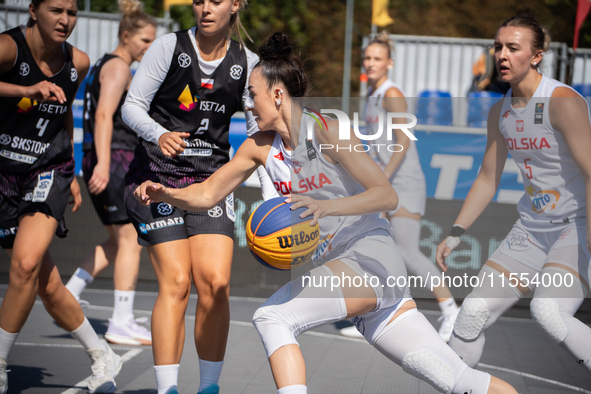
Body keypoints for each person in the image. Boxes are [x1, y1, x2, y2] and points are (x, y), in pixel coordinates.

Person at [133, 32, 519, 394]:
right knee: (459, 380)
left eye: (252, 95)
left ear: (278, 95)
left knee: (273, 318)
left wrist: (325, 205)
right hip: (357, 280)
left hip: (369, 258)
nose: (247, 103)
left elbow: (386, 196)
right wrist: (167, 192)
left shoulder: (329, 130)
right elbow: (207, 194)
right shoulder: (258, 146)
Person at [120, 0, 273, 392]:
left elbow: (259, 132)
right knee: (176, 282)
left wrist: (274, 191)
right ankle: (167, 388)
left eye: (216, 1)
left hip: (210, 183)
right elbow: (131, 107)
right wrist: (159, 134)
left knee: (216, 282)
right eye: (199, 0)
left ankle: (208, 387)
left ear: (235, 5)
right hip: (157, 178)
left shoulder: (247, 61)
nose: (206, 8)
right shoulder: (167, 48)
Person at [436, 16, 591, 371]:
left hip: (577, 227)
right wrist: (456, 232)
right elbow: (488, 178)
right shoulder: (500, 111)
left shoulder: (563, 101)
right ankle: (458, 384)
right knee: (471, 314)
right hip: (532, 229)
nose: (502, 55)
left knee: (548, 311)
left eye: (513, 48)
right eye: (498, 46)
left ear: (536, 56)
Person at [0, 0, 122, 393]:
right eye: (56, 10)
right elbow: (34, 93)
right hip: (4, 174)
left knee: (25, 265)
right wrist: (25, 89)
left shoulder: (79, 62)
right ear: (34, 10)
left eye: (71, 12)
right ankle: (103, 354)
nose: (65, 20)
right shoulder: (7, 49)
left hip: (46, 169)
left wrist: (68, 168)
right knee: (46, 283)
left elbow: (63, 108)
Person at [340, 31, 460, 342]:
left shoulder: (392, 94)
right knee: (374, 247)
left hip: (402, 183)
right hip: (386, 181)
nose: (371, 63)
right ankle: (372, 315)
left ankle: (451, 312)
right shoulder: (373, 96)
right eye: (367, 58)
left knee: (407, 252)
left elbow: (404, 141)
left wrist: (383, 180)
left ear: (389, 63)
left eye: (377, 58)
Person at [64, 0, 157, 347]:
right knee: (131, 239)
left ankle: (70, 292)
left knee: (118, 241)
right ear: (126, 36)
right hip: (113, 158)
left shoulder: (107, 63)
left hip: (104, 156)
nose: (149, 47)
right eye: (145, 40)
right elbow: (104, 116)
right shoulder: (119, 68)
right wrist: (103, 163)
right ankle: (121, 321)